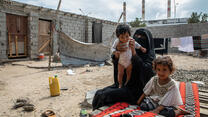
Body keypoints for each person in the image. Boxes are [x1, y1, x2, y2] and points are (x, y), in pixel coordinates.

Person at [92, 28, 156, 110]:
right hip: (124, 84)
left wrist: (134, 53)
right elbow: (119, 65)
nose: (139, 38)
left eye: (142, 37)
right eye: (137, 36)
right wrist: (116, 54)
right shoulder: (125, 48)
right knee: (99, 93)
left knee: (103, 96)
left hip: (137, 91)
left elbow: (146, 71)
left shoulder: (150, 57)